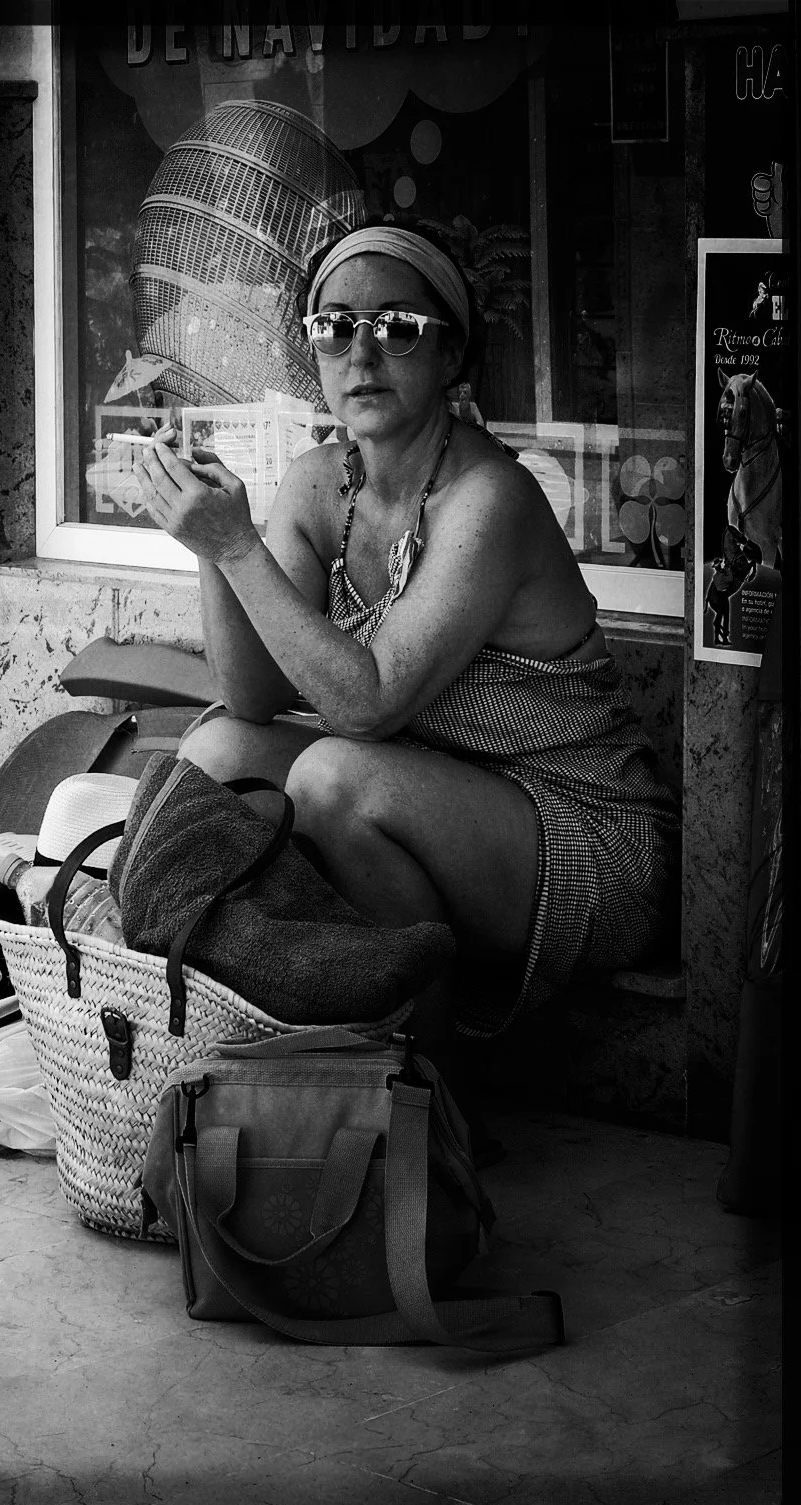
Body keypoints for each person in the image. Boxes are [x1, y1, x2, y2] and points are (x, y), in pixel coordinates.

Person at [134, 219, 679, 1043]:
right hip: (433, 791)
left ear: (451, 356)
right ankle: (304, 1026)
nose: (361, 354)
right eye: (335, 329)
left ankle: (421, 1081)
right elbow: (249, 696)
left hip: (584, 834)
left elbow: (367, 704)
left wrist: (238, 546)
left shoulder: (489, 498)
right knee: (214, 756)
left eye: (398, 328)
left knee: (331, 777)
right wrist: (210, 545)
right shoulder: (320, 483)